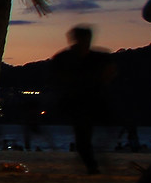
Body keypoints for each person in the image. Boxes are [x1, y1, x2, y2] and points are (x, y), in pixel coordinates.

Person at [48, 25, 115, 174]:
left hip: (94, 101)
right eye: (83, 38)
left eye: (87, 39)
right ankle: (92, 165)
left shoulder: (98, 57)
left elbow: (109, 73)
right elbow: (56, 78)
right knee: (83, 136)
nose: (85, 42)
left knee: (90, 135)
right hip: (77, 102)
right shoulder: (64, 58)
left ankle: (94, 162)